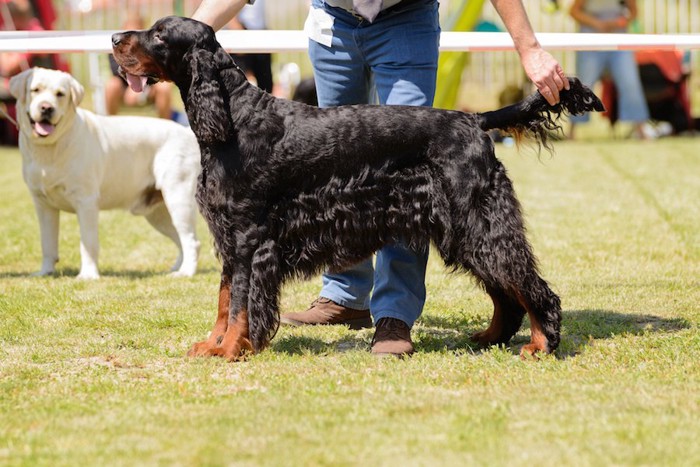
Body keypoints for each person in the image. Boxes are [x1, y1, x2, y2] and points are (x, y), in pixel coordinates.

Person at [192, 0, 568, 357]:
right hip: (333, 26)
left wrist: (529, 47)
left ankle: (395, 315)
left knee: (413, 182)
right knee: (331, 177)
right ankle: (344, 297)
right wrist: (191, 32)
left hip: (406, 18)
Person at [568, 0, 654, 139]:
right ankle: (572, 132)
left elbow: (633, 13)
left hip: (618, 36)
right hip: (590, 36)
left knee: (629, 81)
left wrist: (618, 22)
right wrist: (597, 24)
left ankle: (641, 129)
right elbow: (574, 11)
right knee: (584, 84)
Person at [104, 13, 174, 119]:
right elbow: (115, 70)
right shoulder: (115, 46)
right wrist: (132, 86)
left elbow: (156, 70)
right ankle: (110, 124)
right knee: (112, 85)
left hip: (149, 85)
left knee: (164, 87)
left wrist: (141, 88)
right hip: (123, 86)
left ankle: (166, 126)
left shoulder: (151, 47)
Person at [226, 0, 273, 93]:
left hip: (260, 32)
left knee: (266, 85)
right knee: (240, 87)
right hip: (242, 33)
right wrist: (239, 34)